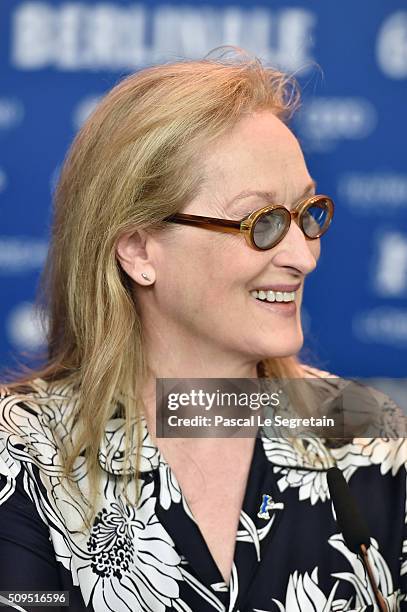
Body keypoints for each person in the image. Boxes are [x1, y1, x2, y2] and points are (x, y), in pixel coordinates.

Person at [0, 48, 406, 612]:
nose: (304, 257)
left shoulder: (370, 435)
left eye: (308, 213)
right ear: (139, 248)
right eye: (262, 222)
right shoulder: (22, 453)